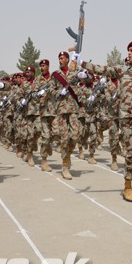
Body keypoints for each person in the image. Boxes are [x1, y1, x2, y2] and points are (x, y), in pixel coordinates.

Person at [76, 40, 132, 202]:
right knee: (129, 153)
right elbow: (103, 70)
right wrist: (82, 63)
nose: (129, 53)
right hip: (126, 117)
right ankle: (128, 186)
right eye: (128, 51)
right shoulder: (121, 70)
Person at [47, 51, 81, 180]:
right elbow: (51, 90)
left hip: (73, 108)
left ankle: (68, 154)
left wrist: (82, 71)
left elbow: (86, 78)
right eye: (59, 58)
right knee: (64, 138)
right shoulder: (56, 75)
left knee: (75, 135)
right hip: (61, 109)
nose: (60, 60)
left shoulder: (74, 71)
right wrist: (58, 92)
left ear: (68, 59)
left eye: (62, 58)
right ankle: (65, 166)